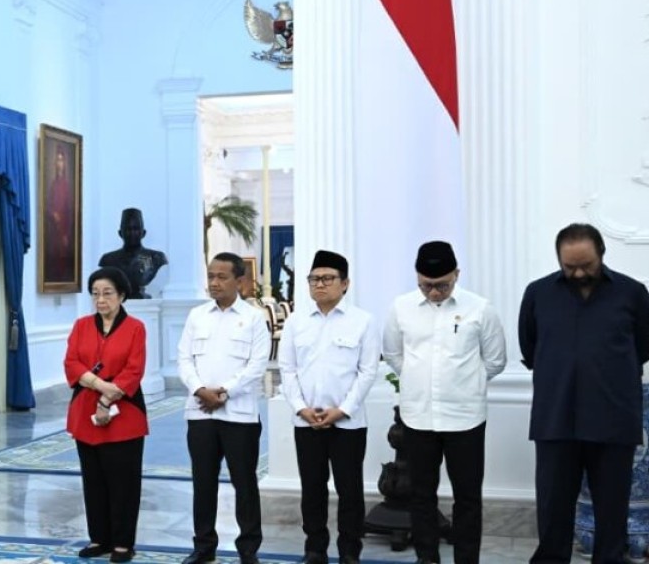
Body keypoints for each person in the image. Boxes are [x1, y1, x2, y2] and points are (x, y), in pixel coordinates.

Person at [519, 223, 649, 564]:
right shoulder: (538, 293)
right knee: (553, 510)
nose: (578, 273)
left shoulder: (633, 293)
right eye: (569, 266)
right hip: (555, 418)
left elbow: (643, 346)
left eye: (586, 266)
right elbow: (530, 347)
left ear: (602, 255)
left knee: (612, 510)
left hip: (613, 418)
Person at [382, 241, 507, 564]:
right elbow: (395, 355)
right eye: (426, 285)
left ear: (457, 275)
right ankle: (428, 559)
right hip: (418, 417)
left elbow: (495, 361)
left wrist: (464, 385)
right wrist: (417, 381)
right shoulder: (401, 307)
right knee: (421, 496)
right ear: (417, 277)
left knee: (467, 498)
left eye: (442, 285)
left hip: (465, 418)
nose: (434, 292)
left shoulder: (480, 309)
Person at [277, 249, 380, 564]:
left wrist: (342, 409)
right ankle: (315, 549)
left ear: (345, 283)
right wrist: (301, 408)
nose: (320, 284)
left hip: (347, 423)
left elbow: (368, 371)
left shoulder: (363, 321)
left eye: (327, 278)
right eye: (314, 279)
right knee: (312, 489)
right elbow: (287, 369)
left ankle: (350, 551)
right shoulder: (296, 322)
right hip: (306, 421)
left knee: (350, 490)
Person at [177, 253, 270, 564]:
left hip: (240, 415)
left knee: (244, 483)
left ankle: (248, 549)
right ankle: (203, 547)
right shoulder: (196, 316)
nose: (214, 283)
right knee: (203, 482)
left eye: (222, 277)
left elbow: (257, 365)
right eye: (211, 276)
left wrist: (225, 392)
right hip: (200, 413)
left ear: (239, 281)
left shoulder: (255, 318)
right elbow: (184, 359)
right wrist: (200, 390)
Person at [64, 266, 149, 564]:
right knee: (94, 479)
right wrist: (99, 385)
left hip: (124, 413)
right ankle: (99, 538)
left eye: (107, 293)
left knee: (123, 481)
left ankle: (124, 542)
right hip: (84, 412)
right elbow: (72, 363)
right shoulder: (81, 326)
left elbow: (134, 370)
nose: (101, 300)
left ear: (122, 295)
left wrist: (106, 398)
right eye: (95, 294)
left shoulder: (136, 327)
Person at [98, 208, 168, 299]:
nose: (132, 233)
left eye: (136, 229)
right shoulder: (108, 259)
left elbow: (144, 276)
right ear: (120, 233)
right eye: (128, 229)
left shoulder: (155, 257)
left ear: (143, 233)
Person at [44, 146, 75, 283]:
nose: (59, 163)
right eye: (57, 160)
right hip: (53, 228)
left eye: (61, 160)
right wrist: (53, 214)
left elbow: (69, 210)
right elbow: (48, 206)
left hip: (63, 228)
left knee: (62, 258)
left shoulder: (66, 185)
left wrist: (65, 233)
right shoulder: (53, 184)